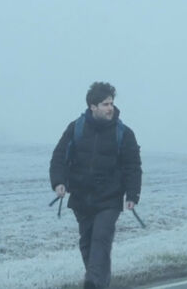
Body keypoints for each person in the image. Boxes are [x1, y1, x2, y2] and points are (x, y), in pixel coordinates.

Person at [50, 82, 142, 289]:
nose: (110, 107)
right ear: (93, 106)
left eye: (111, 103)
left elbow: (133, 166)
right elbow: (59, 158)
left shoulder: (124, 133)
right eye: (105, 104)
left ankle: (92, 284)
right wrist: (59, 183)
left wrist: (132, 195)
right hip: (82, 198)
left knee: (101, 240)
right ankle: (99, 283)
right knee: (87, 245)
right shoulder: (76, 128)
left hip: (109, 199)